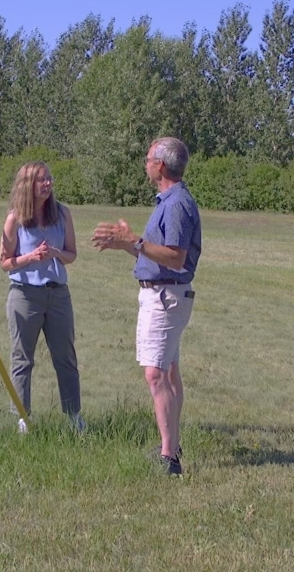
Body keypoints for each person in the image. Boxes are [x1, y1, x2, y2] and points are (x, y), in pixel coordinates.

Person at [91, 138, 201, 475]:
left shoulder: (177, 204)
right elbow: (156, 255)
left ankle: (169, 458)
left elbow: (176, 257)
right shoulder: (167, 201)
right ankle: (172, 445)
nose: (145, 161)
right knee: (167, 371)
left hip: (165, 298)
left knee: (155, 374)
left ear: (161, 166)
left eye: (149, 157)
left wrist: (135, 242)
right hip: (164, 294)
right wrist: (127, 245)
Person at [0, 161, 83, 432]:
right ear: (28, 186)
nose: (47, 185)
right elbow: (4, 262)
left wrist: (57, 253)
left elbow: (72, 254)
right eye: (41, 181)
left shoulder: (62, 214)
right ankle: (22, 418)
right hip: (24, 296)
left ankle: (73, 418)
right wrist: (31, 257)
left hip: (58, 295)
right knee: (22, 359)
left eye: (49, 179)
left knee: (66, 358)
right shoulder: (14, 219)